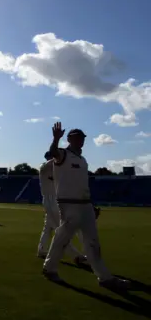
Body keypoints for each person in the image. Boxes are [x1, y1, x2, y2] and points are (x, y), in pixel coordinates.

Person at [42, 123, 129, 290]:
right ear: (69, 139)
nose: (80, 141)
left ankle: (104, 277)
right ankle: (49, 268)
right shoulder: (63, 155)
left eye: (82, 138)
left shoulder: (82, 160)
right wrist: (55, 139)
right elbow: (53, 152)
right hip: (69, 204)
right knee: (62, 237)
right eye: (76, 138)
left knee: (93, 242)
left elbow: (82, 184)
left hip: (85, 204)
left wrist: (90, 204)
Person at [37, 152, 87, 264]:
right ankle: (76, 256)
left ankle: (42, 250)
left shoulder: (56, 168)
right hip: (51, 201)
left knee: (48, 227)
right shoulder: (45, 166)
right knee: (62, 229)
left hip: (56, 200)